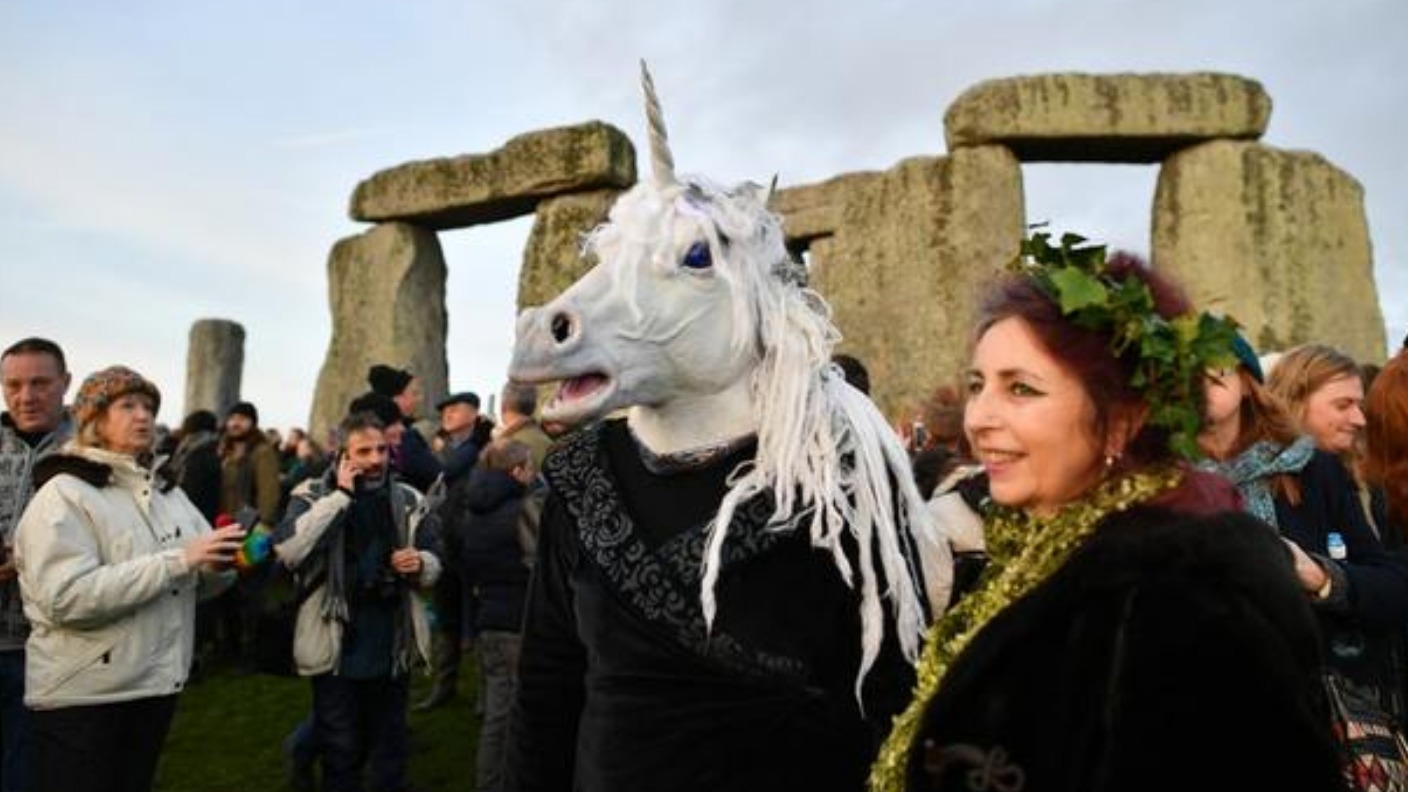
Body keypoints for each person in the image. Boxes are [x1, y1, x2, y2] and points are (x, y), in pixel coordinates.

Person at [871, 236, 1344, 792]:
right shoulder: (1031, 549)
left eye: (1021, 388)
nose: (978, 418)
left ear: (1122, 419)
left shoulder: (1186, 597)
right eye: (978, 385)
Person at [14, 365, 241, 792]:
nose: (143, 416)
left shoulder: (169, 493)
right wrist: (179, 560)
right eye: (128, 406)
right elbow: (65, 598)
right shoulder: (64, 494)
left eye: (149, 407)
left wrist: (220, 565)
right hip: (83, 696)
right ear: (94, 420)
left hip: (155, 685)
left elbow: (193, 581)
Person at [1198, 333, 1408, 724]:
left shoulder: (1312, 468)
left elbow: (1393, 584)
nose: (1359, 419)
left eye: (1215, 373)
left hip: (1318, 705)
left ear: (1246, 381)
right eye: (1343, 404)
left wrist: (1323, 577)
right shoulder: (1158, 486)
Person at [272, 410, 441, 792]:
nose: (376, 459)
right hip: (335, 639)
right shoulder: (312, 494)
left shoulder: (408, 498)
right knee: (341, 746)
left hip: (392, 638)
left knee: (390, 744)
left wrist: (421, 563)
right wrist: (341, 498)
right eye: (364, 451)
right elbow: (289, 550)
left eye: (381, 449)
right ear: (341, 454)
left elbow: (436, 554)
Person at [0, 337, 73, 792]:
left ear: (65, 382)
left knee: (29, 769)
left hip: (51, 642)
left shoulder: (90, 451)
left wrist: (27, 560)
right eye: (13, 384)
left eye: (40, 383)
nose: (26, 396)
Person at [461, 439, 535, 792]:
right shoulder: (522, 510)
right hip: (517, 619)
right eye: (530, 467)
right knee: (511, 716)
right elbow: (537, 564)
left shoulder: (474, 510)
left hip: (488, 616)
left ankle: (491, 780)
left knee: (497, 709)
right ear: (517, 471)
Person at [413, 390, 488, 712]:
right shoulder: (441, 452)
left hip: (475, 546)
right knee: (446, 617)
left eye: (455, 409)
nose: (447, 414)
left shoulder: (488, 449)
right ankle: (444, 686)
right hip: (444, 545)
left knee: (482, 621)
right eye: (444, 410)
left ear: (473, 414)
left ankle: (487, 693)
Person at [368, 364, 441, 493]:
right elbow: (439, 475)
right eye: (414, 394)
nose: (419, 399)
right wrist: (474, 443)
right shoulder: (406, 438)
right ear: (396, 399)